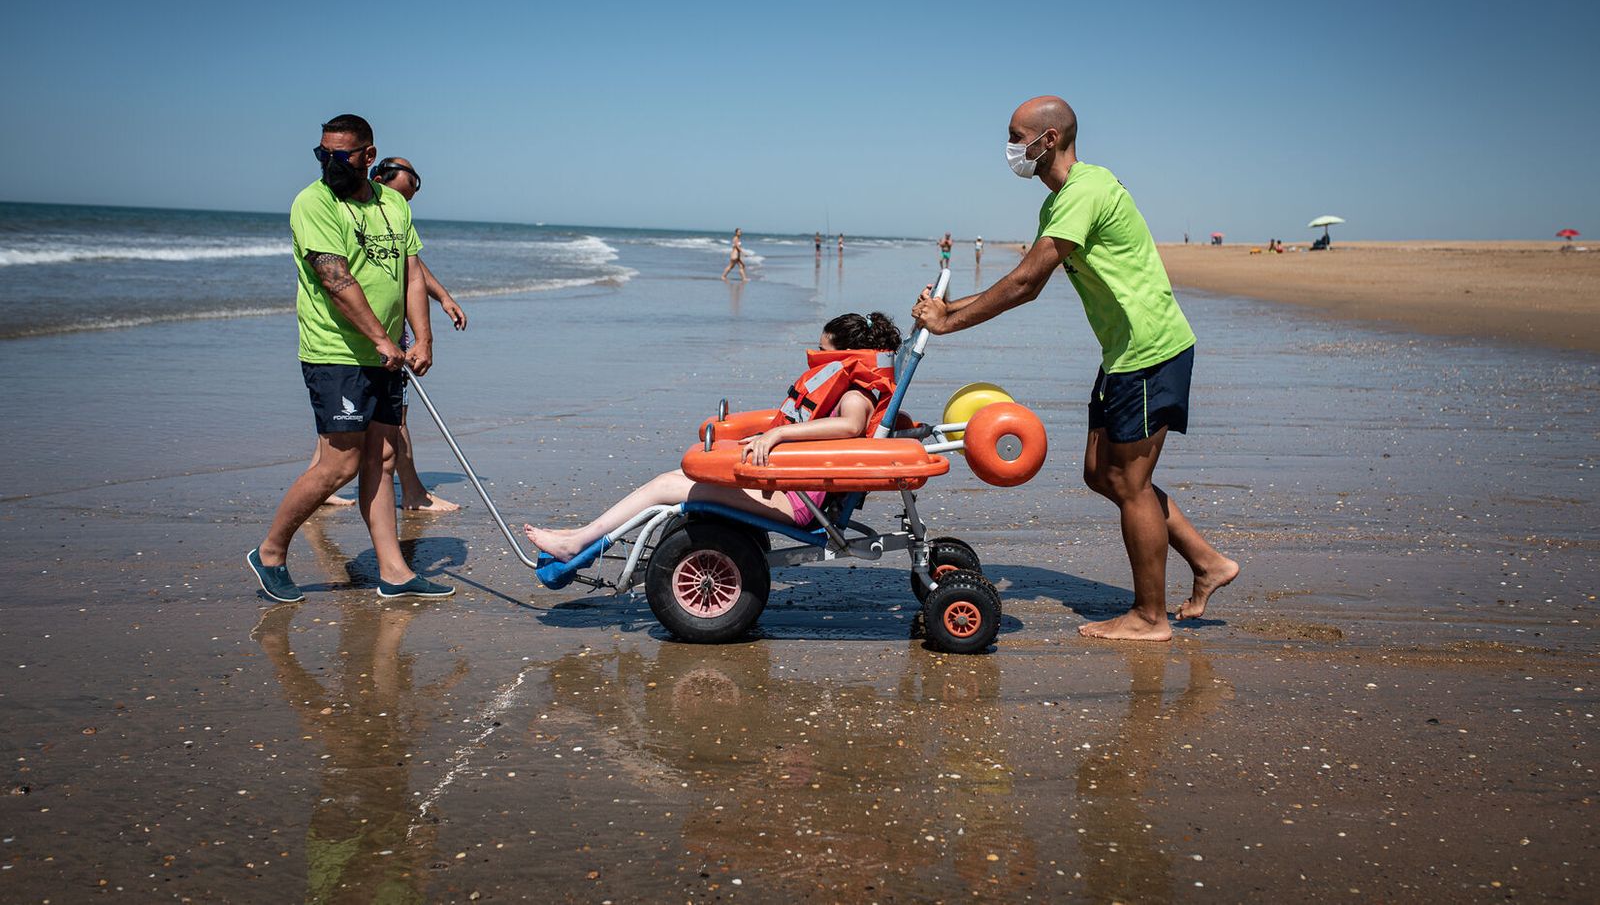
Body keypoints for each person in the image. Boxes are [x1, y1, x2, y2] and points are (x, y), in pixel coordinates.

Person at [912, 95, 1237, 642]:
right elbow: (1024, 280)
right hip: (1123, 354)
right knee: (1100, 472)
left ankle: (1151, 618)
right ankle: (1207, 562)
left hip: (1150, 351)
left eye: (1017, 138)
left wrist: (950, 324)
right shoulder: (1064, 198)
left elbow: (1025, 284)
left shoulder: (1081, 194)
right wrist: (949, 310)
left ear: (1049, 140)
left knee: (1131, 484)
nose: (1011, 149)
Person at [248, 113, 454, 602]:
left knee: (382, 458)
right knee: (339, 466)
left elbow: (410, 273)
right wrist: (382, 341)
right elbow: (335, 280)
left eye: (341, 156)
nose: (330, 164)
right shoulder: (313, 203)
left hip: (385, 355)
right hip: (335, 351)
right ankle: (271, 552)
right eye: (323, 155)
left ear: (367, 156)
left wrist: (422, 339)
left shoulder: (393, 205)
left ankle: (394, 572)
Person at [525, 311, 902, 560]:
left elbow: (849, 427)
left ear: (850, 355)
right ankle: (584, 534)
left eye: (823, 351)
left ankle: (578, 543)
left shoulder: (855, 394)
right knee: (674, 479)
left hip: (799, 503)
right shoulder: (854, 388)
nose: (817, 358)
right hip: (792, 487)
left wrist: (778, 437)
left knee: (662, 488)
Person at [316, 156, 467, 511]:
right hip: (360, 335)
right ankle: (412, 492)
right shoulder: (348, 208)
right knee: (387, 420)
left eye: (410, 197)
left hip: (388, 331)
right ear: (378, 176)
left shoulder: (392, 210)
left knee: (345, 426)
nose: (403, 203)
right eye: (402, 191)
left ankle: (323, 488)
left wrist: (441, 298)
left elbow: (409, 262)